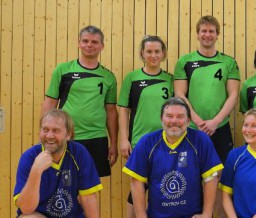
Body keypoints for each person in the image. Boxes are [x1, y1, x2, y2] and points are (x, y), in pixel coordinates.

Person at [122, 97, 223, 217]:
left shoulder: (201, 140)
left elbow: (211, 178)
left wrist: (206, 214)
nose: (174, 121)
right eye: (169, 116)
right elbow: (136, 183)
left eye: (180, 116)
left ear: (188, 120)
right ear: (161, 119)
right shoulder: (146, 142)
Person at [41, 25, 118, 177]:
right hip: (67, 136)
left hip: (97, 138)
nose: (89, 45)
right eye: (86, 41)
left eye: (95, 42)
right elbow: (50, 103)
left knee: (92, 185)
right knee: (64, 182)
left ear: (102, 46)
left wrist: (113, 143)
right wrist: (45, 133)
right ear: (79, 43)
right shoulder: (63, 70)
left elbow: (111, 111)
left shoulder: (109, 77)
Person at [118, 35, 174, 218]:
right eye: (149, 51)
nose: (153, 55)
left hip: (165, 142)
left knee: (161, 185)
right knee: (138, 186)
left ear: (163, 53)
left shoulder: (170, 79)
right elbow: (124, 111)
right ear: (142, 53)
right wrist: (124, 139)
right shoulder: (132, 78)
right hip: (139, 142)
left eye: (157, 51)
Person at [173, 15, 240, 162]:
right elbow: (179, 94)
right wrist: (197, 121)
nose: (207, 35)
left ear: (217, 35)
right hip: (190, 126)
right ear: (197, 34)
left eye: (211, 31)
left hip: (220, 127)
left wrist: (215, 122)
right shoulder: (184, 61)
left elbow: (233, 95)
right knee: (189, 171)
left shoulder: (229, 62)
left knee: (222, 174)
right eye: (204, 31)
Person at [14, 109, 102, 218]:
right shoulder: (29, 157)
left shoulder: (79, 153)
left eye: (56, 130)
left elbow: (88, 198)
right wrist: (36, 170)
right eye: (45, 130)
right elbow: (26, 209)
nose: (49, 136)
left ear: (68, 134)